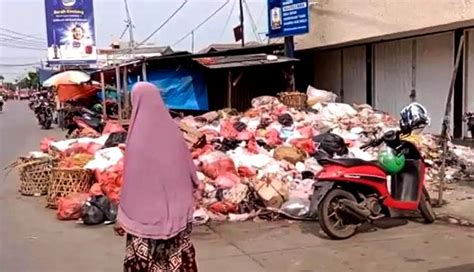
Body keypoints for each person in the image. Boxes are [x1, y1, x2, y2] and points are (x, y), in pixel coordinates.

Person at [116, 82, 202, 272]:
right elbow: (188, 168)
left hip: (144, 218)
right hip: (177, 214)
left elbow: (132, 183)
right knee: (177, 258)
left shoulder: (136, 138)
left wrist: (122, 216)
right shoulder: (173, 132)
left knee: (144, 261)